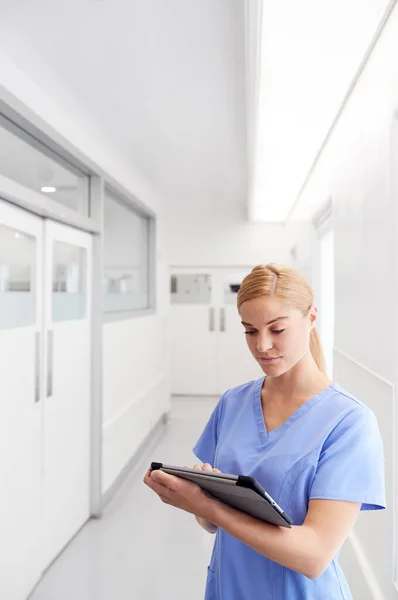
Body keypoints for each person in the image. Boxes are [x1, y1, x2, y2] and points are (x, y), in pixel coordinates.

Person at [144, 263, 386, 599]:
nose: (263, 345)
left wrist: (210, 506)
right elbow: (213, 526)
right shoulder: (233, 403)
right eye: (250, 331)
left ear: (311, 317)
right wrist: (200, 503)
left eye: (278, 329)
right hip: (227, 587)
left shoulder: (349, 422)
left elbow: (315, 556)